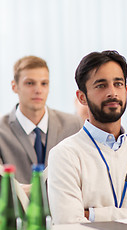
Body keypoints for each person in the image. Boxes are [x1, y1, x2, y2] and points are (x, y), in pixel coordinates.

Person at [48, 51, 127, 224]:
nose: (112, 92)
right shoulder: (65, 154)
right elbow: (70, 223)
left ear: (126, 90)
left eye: (118, 84)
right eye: (101, 85)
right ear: (82, 97)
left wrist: (93, 215)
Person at [0, 56, 82, 185]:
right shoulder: (1, 131)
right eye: (30, 83)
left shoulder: (74, 125)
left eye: (44, 83)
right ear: (14, 86)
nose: (38, 90)